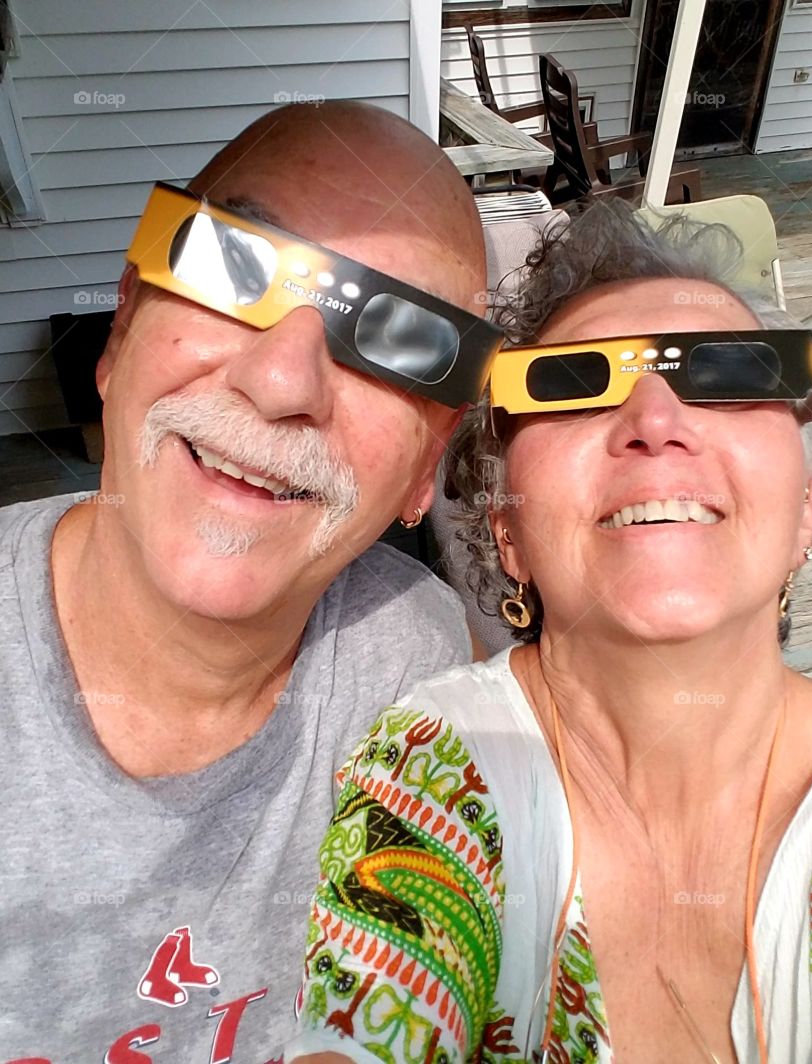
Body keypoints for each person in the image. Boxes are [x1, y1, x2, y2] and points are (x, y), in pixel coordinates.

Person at [288, 203, 812, 1063]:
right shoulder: (440, 772)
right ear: (507, 531)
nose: (654, 418)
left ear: (804, 511)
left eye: (728, 374)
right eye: (571, 383)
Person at [0, 102, 503, 1062]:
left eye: (397, 338)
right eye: (235, 269)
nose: (281, 380)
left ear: (422, 470)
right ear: (122, 327)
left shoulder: (423, 679)